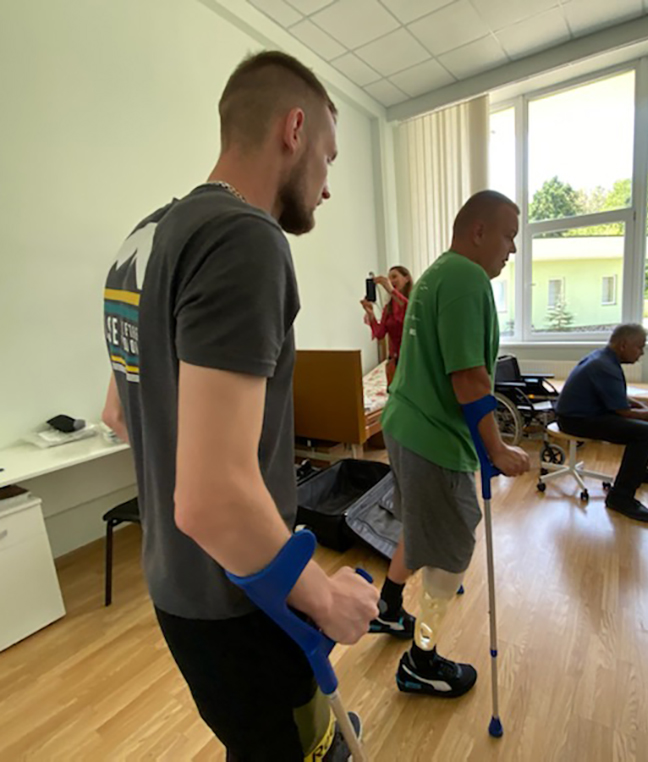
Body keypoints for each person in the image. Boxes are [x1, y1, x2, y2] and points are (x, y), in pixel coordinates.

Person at [101, 51, 378, 761]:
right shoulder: (245, 238)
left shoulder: (144, 240)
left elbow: (121, 413)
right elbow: (211, 497)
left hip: (176, 585)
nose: (325, 187)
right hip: (240, 593)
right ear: (293, 129)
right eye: (329, 157)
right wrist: (323, 596)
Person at [367, 190, 530, 699]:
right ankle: (422, 659)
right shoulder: (466, 278)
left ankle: (389, 609)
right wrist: (498, 449)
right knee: (452, 552)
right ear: (478, 231)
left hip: (405, 421)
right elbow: (470, 379)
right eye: (508, 236)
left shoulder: (436, 272)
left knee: (420, 525)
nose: (512, 250)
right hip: (433, 437)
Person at [554, 324, 648, 523]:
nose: (642, 353)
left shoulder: (604, 357)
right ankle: (620, 497)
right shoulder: (605, 366)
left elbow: (615, 396)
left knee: (645, 429)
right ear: (623, 345)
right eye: (639, 347)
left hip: (582, 414)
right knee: (646, 433)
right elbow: (624, 413)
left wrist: (642, 406)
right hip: (576, 421)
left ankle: (639, 471)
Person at [360, 265, 413, 386]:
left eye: (394, 277)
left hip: (412, 359)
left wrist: (391, 290)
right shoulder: (388, 307)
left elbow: (410, 311)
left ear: (406, 279)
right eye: (389, 278)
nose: (391, 281)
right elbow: (379, 334)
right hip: (394, 361)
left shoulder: (415, 301)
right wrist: (371, 313)